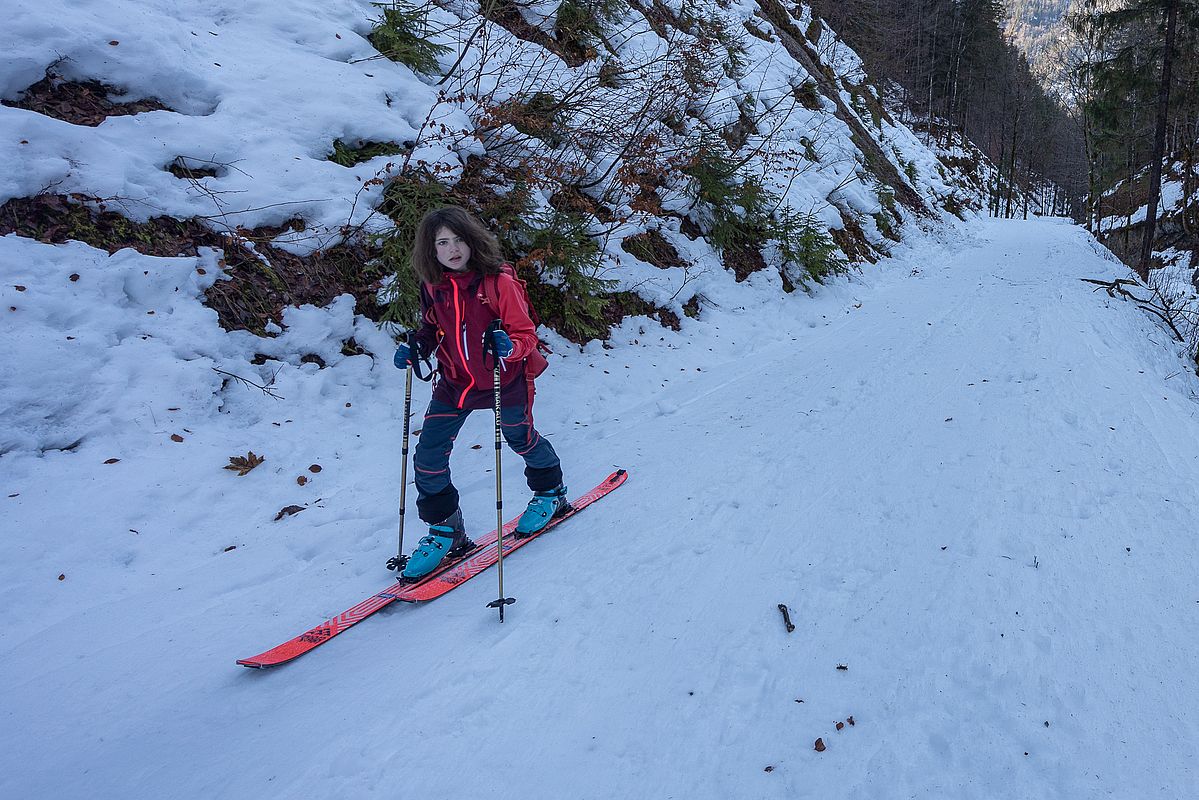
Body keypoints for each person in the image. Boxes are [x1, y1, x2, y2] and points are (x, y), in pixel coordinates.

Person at [393, 206, 568, 580]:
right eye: (442, 242)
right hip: (456, 380)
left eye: (459, 239)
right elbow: (430, 327)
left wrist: (511, 346)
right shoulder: (432, 286)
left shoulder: (498, 283)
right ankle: (446, 529)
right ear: (431, 250)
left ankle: (551, 492)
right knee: (427, 455)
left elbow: (526, 333)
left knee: (519, 436)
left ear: (472, 241)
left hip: (506, 378)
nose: (453, 248)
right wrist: (417, 347)